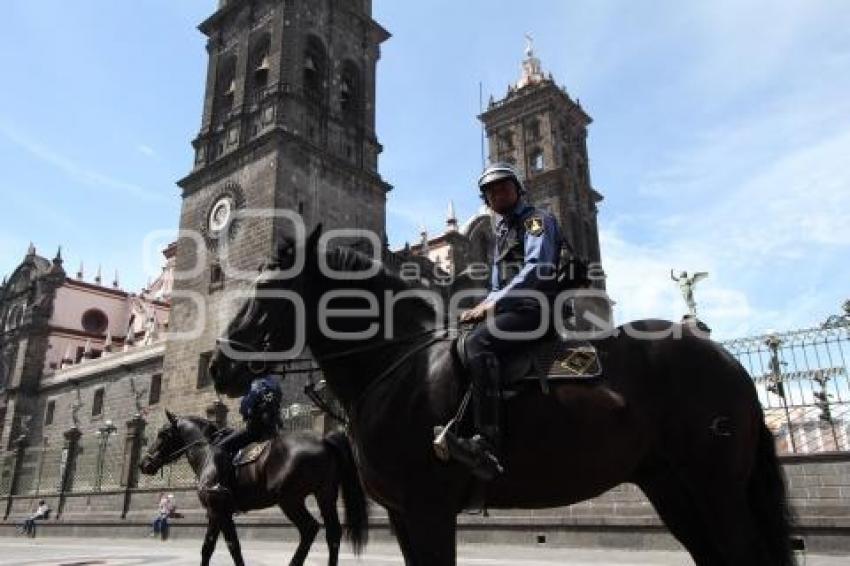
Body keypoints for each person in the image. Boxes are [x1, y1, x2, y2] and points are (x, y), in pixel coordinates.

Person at [458, 162, 563, 480]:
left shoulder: (536, 221)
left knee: (479, 342)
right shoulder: (502, 234)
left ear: (518, 189)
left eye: (503, 186)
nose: (497, 193)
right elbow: (495, 285)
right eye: (490, 191)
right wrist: (481, 307)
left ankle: (488, 442)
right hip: (510, 313)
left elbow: (537, 268)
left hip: (535, 312)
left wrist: (491, 304)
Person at [200, 374, 283, 501]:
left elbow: (246, 407)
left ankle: (222, 485)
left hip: (254, 430)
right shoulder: (274, 383)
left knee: (219, 448)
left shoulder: (256, 384)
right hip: (272, 429)